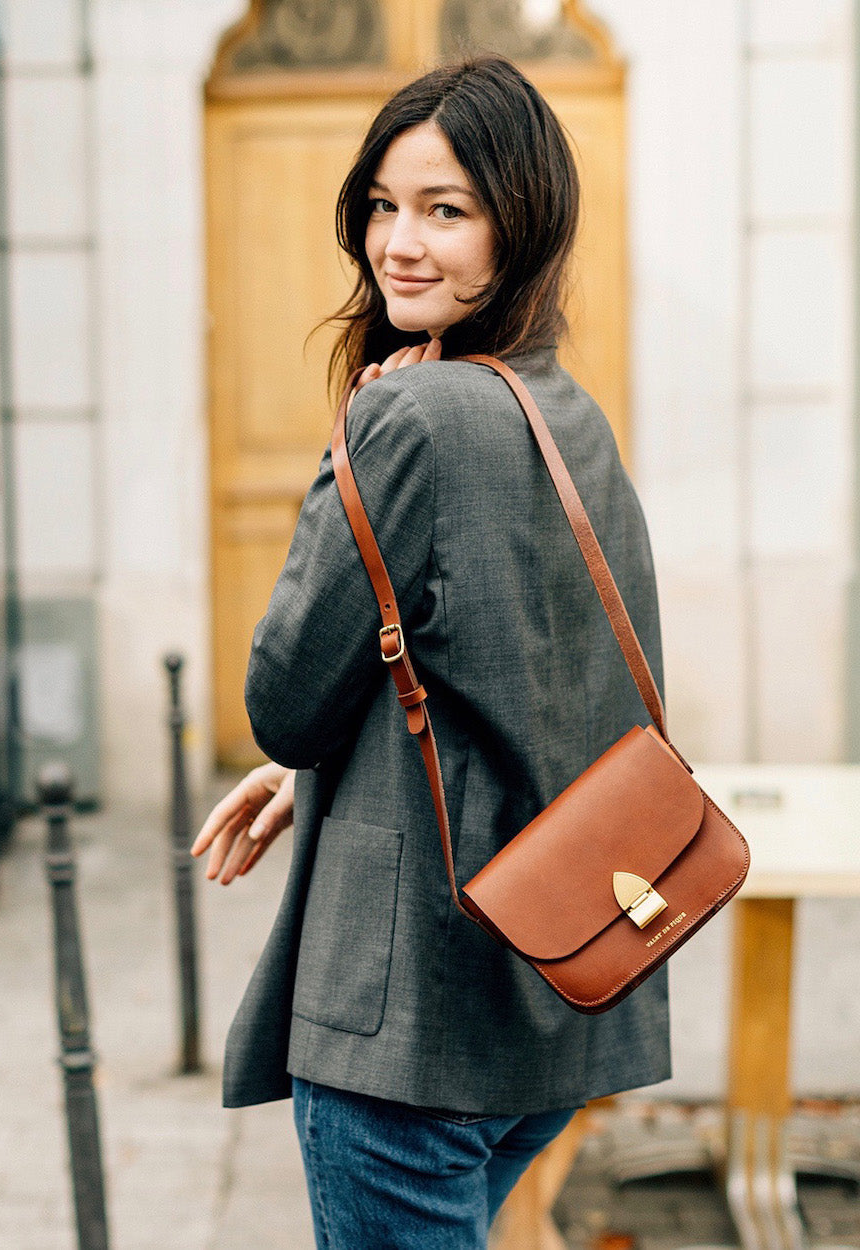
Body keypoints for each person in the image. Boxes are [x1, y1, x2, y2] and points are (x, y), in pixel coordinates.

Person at [192, 55, 670, 1249]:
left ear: (523, 222)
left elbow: (282, 700)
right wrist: (323, 782)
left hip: (411, 1025)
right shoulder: (560, 407)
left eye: (445, 211)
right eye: (382, 206)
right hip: (546, 1010)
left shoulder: (407, 413)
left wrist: (352, 441)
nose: (399, 244)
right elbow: (517, 686)